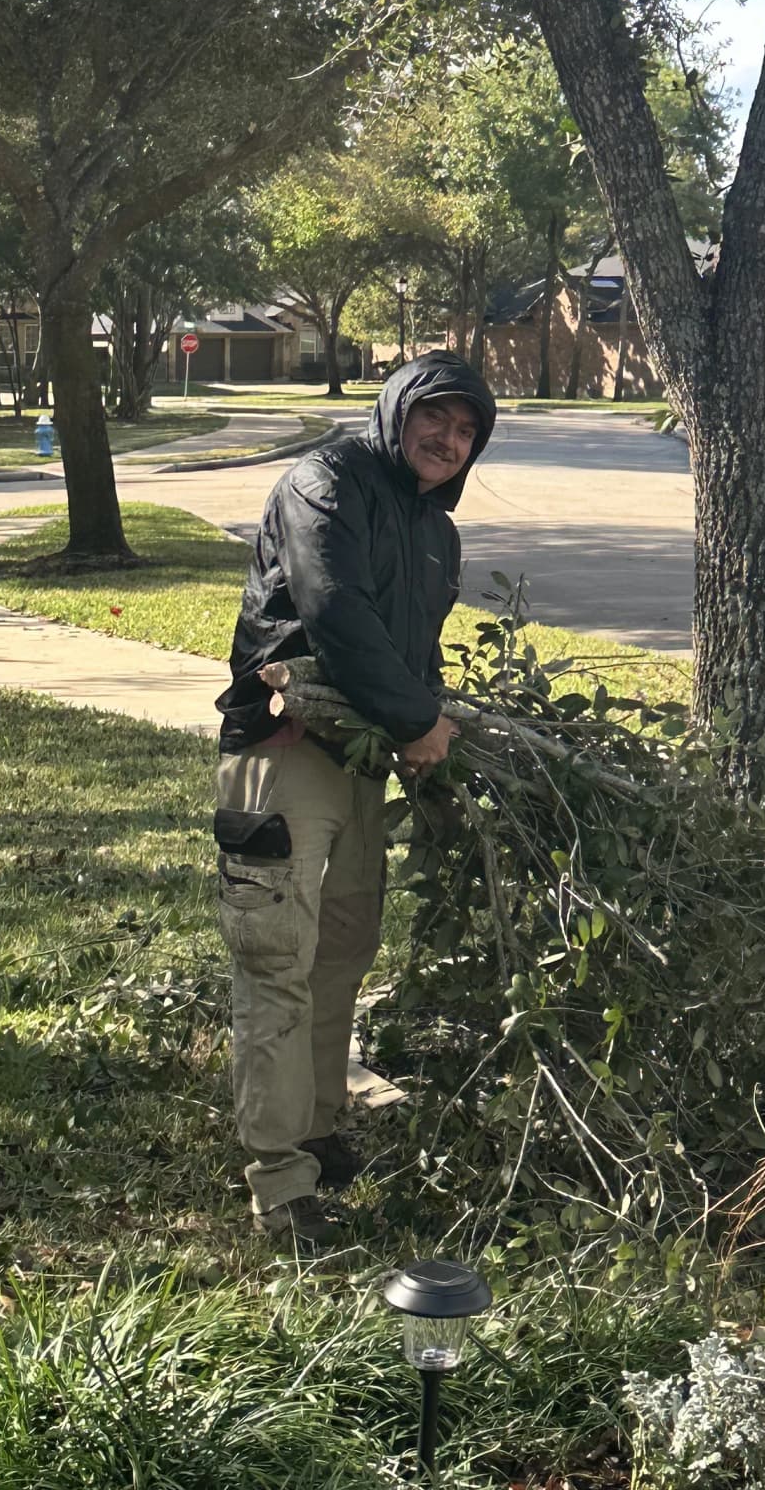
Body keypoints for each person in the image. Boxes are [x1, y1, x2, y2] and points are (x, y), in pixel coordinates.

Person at [211, 349, 496, 1247]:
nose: (446, 441)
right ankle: (280, 1180)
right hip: (288, 749)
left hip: (364, 762)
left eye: (464, 432)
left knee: (343, 951)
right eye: (434, 420)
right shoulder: (324, 481)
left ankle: (319, 1126)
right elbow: (334, 613)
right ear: (397, 410)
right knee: (277, 959)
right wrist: (418, 720)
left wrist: (427, 735)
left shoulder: (434, 531)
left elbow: (412, 649)